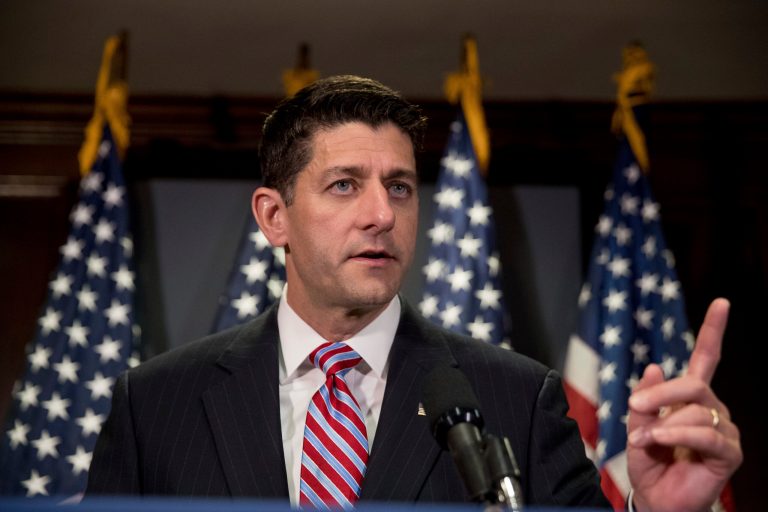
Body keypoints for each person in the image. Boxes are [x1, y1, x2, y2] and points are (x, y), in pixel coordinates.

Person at [86, 75, 742, 510]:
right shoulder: (155, 406)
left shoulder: (517, 397)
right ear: (273, 217)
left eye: (399, 187)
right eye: (344, 184)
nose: (382, 214)